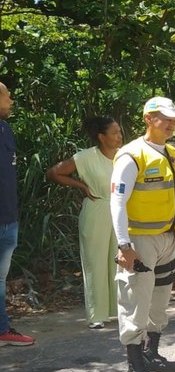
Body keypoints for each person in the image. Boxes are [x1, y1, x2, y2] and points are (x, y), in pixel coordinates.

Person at [111, 96, 175, 372]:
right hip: (140, 241)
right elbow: (117, 202)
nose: (171, 124)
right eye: (165, 118)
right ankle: (134, 366)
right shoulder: (131, 155)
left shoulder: (173, 155)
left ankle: (151, 352)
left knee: (160, 300)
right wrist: (124, 245)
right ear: (148, 118)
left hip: (169, 239)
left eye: (173, 120)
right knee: (136, 301)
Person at [46, 116, 123, 329]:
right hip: (96, 210)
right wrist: (81, 186)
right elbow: (53, 172)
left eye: (120, 132)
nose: (119, 136)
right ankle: (96, 315)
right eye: (115, 133)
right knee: (95, 262)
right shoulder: (86, 157)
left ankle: (117, 310)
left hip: (119, 212)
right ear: (101, 137)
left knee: (118, 261)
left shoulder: (124, 156)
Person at [0, 82, 36, 347]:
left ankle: (2, 329)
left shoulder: (6, 129)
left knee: (0, 279)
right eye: (8, 96)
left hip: (8, 220)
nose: (11, 101)